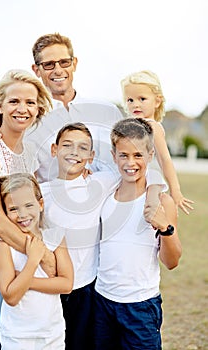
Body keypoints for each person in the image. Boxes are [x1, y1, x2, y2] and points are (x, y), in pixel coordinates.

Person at [40, 122, 168, 350]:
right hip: (52, 287)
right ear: (54, 149)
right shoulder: (42, 192)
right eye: (67, 145)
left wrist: (154, 194)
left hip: (87, 287)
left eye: (82, 148)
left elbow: (144, 169)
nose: (74, 153)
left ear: (91, 156)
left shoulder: (100, 182)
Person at [0, 69, 55, 350]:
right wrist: (42, 257)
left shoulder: (28, 153)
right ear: (0, 106)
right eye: (14, 101)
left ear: (38, 108)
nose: (22, 109)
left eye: (30, 102)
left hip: (16, 270)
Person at [0, 32, 123, 182]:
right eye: (49, 64)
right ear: (36, 69)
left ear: (74, 63)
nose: (58, 70)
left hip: (109, 201)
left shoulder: (108, 111)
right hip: (52, 203)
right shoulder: (25, 122)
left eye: (64, 62)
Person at [94, 118, 182, 349]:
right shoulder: (105, 195)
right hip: (102, 301)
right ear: (114, 156)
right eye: (123, 155)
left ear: (150, 155)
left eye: (138, 155)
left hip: (140, 306)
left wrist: (166, 228)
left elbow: (171, 262)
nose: (130, 162)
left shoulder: (162, 202)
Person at [0, 173, 73, 349]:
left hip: (51, 334)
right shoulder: (3, 245)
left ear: (41, 204)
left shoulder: (54, 236)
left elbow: (67, 284)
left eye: (29, 205)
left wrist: (23, 279)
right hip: (17, 337)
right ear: (5, 212)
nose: (22, 214)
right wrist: (33, 261)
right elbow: (11, 296)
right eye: (13, 209)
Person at [121, 70, 194, 214]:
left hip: (149, 180)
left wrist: (176, 190)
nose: (135, 104)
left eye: (142, 99)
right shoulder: (128, 126)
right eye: (130, 100)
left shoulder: (152, 126)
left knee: (151, 212)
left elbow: (165, 159)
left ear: (157, 101)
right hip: (130, 176)